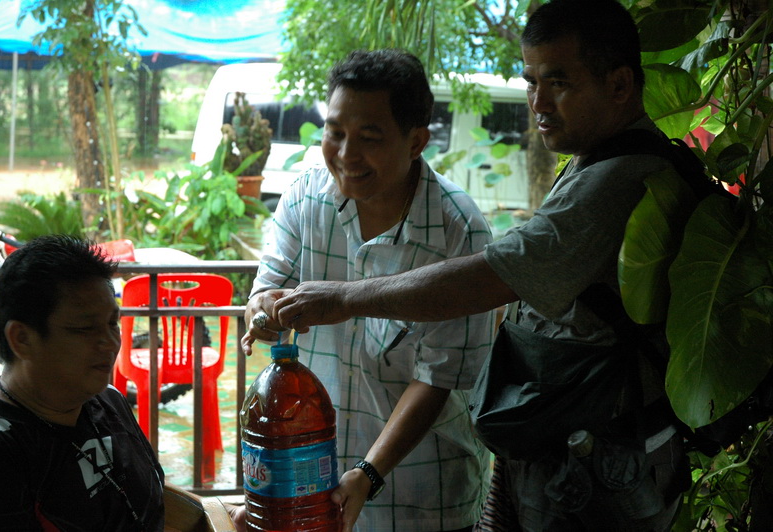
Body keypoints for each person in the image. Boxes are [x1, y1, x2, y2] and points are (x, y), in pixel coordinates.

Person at [272, 2, 692, 531]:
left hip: (601, 465)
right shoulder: (596, 162)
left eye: (559, 82)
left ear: (620, 84)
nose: (538, 102)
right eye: (531, 81)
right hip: (561, 449)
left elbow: (492, 277)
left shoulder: (617, 181)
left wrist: (343, 298)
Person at [242, 49, 495, 532]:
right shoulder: (305, 197)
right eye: (335, 132)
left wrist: (367, 474)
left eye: (369, 137)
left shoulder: (457, 231)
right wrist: (264, 312)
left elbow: (439, 377)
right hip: (312, 486)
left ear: (416, 141)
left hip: (423, 499)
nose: (345, 154)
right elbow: (264, 292)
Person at [0, 235, 167, 531]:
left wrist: (222, 514)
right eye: (84, 328)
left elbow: (145, 498)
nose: (110, 343)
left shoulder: (108, 400)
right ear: (22, 339)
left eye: (112, 323)